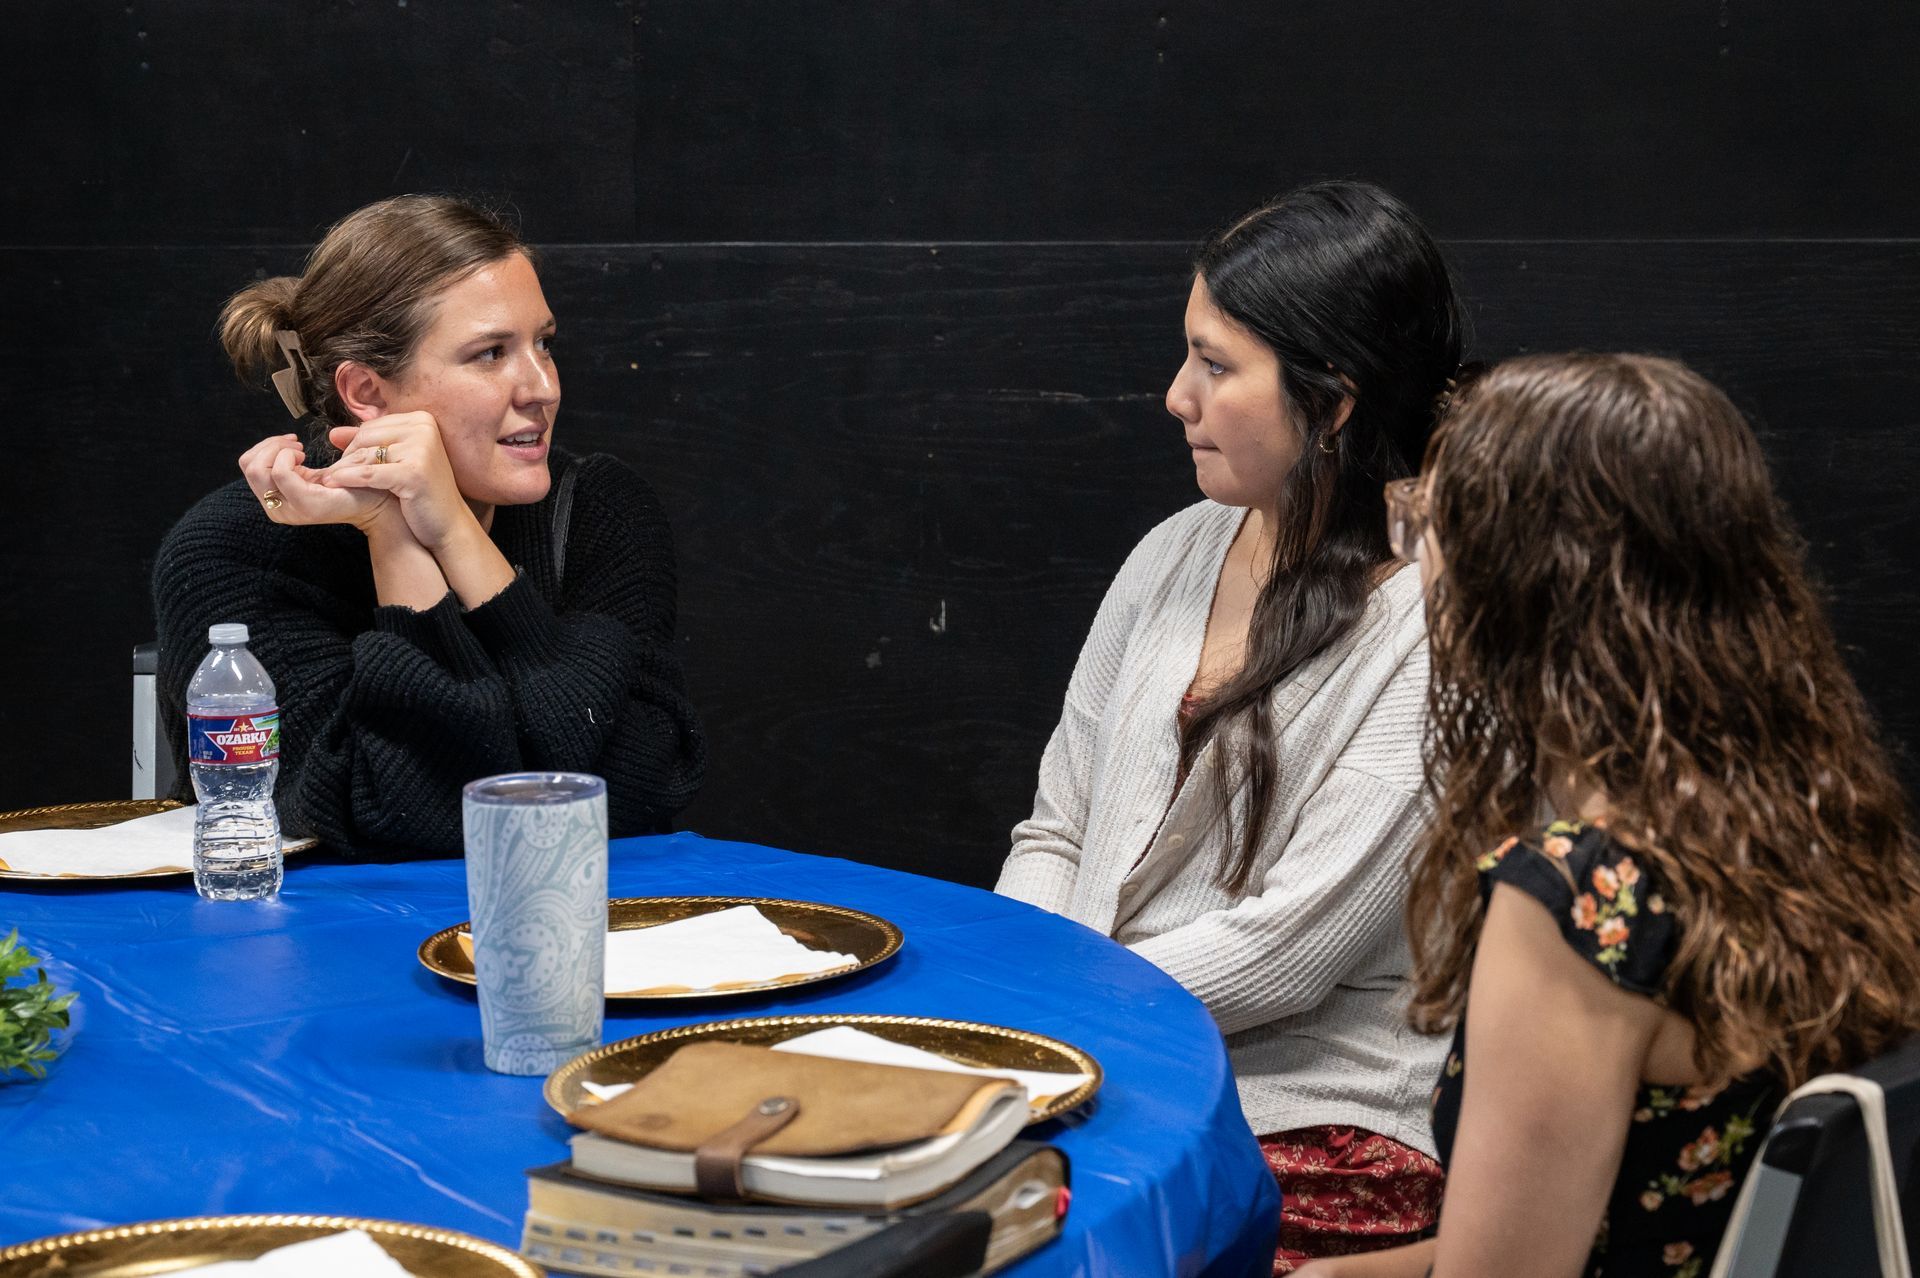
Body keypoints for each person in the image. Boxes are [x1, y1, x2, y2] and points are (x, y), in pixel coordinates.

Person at [1300, 354, 1920, 1277]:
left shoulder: (1578, 896)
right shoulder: (1819, 822)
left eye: (1429, 524)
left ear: (1521, 583)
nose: (1417, 558)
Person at [996, 180, 1467, 1272]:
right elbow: (1053, 835)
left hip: (1308, 1125)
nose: (1175, 396)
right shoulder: (1172, 550)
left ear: (1335, 403)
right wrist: (1005, 1009)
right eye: (1185, 355)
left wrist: (1050, 1012)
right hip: (1097, 1063)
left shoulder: (1433, 622)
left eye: (1216, 365)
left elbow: (1283, 953)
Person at [153, 194, 705, 858]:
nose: (542, 387)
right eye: (490, 354)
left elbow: (643, 795)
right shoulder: (234, 549)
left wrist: (453, 534)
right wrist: (392, 531)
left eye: (543, 344)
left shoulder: (598, 511)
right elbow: (403, 820)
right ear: (367, 392)